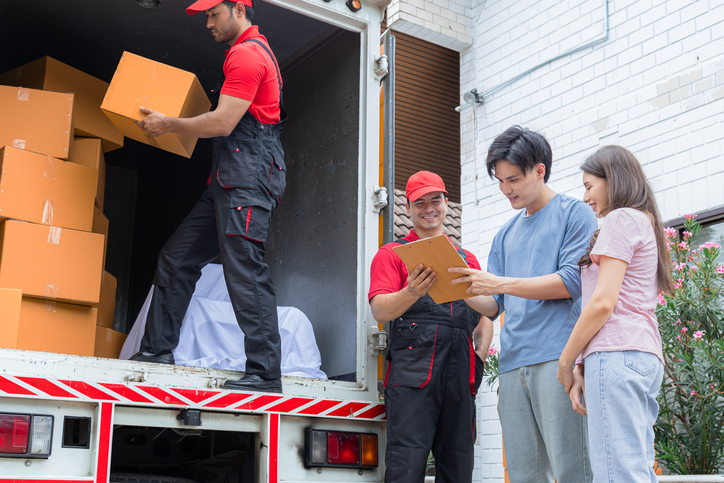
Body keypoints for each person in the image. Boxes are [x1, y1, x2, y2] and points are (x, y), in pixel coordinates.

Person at [131, 0, 287, 394]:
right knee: (177, 256)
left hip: (248, 181)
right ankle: (156, 351)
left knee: (244, 272)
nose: (207, 23)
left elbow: (223, 122)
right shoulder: (242, 53)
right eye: (205, 16)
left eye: (213, 14)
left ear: (238, 10)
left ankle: (265, 374)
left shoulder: (248, 55)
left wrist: (168, 123)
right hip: (228, 179)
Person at [450, 126, 597, 482]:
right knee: (522, 474)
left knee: (571, 470)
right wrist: (458, 285)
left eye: (513, 179)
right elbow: (494, 305)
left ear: (540, 170)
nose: (506, 190)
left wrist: (498, 282)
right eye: (500, 181)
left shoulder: (575, 214)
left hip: (558, 359)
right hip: (513, 365)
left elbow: (570, 282)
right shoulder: (505, 233)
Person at [369, 171, 497, 483]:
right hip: (414, 374)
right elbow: (379, 308)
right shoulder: (392, 254)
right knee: (406, 463)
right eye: (420, 202)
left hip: (459, 373)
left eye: (435, 200)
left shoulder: (468, 260)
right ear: (408, 208)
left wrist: (478, 355)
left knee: (459, 463)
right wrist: (411, 291)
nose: (429, 208)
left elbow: (487, 315)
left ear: (446, 203)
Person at [556, 146, 674, 482]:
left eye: (590, 186)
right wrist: (581, 363)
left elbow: (603, 303)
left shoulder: (622, 218)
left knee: (616, 473)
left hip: (617, 356)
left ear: (614, 180)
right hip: (640, 356)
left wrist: (566, 362)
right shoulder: (644, 222)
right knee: (632, 470)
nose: (585, 196)